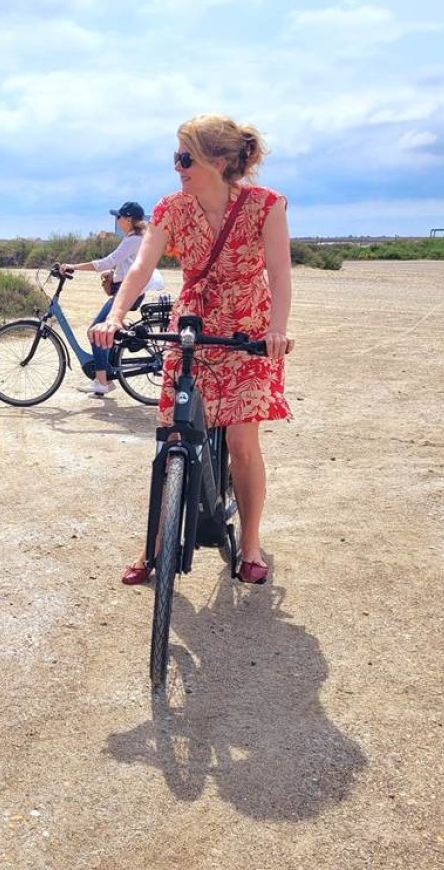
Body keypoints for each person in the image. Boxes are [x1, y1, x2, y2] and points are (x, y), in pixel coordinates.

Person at [90, 114, 293, 586]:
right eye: (176, 157)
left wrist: (278, 330)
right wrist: (117, 315)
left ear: (219, 161)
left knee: (243, 444)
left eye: (186, 157)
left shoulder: (266, 206)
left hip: (248, 328)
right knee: (172, 437)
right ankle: (155, 547)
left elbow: (280, 274)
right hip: (194, 323)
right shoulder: (171, 208)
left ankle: (249, 545)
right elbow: (141, 267)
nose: (177, 166)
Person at [54, 201, 165, 396]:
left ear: (128, 219)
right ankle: (104, 374)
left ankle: (102, 381)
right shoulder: (136, 238)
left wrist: (74, 266)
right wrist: (112, 274)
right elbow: (126, 264)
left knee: (96, 331)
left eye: (118, 217)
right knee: (104, 332)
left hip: (127, 291)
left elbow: (108, 260)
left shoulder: (133, 240)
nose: (116, 220)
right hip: (130, 288)